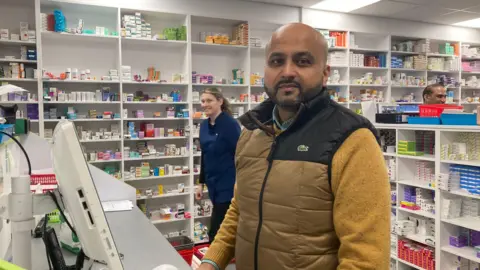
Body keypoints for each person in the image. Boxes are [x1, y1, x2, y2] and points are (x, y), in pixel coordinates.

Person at [198, 23, 390, 270]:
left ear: (325, 73)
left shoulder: (353, 140)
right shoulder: (251, 132)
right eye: (277, 61)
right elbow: (240, 210)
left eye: (303, 61)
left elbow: (366, 260)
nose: (288, 71)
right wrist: (211, 262)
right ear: (265, 71)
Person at [196, 88, 241, 243]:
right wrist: (200, 183)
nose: (204, 104)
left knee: (216, 231)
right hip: (212, 183)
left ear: (220, 101)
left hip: (228, 184)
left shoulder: (231, 125)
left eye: (209, 100)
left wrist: (239, 182)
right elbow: (205, 155)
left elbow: (240, 155)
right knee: (224, 228)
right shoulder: (203, 126)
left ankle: (213, 262)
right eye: (202, 101)